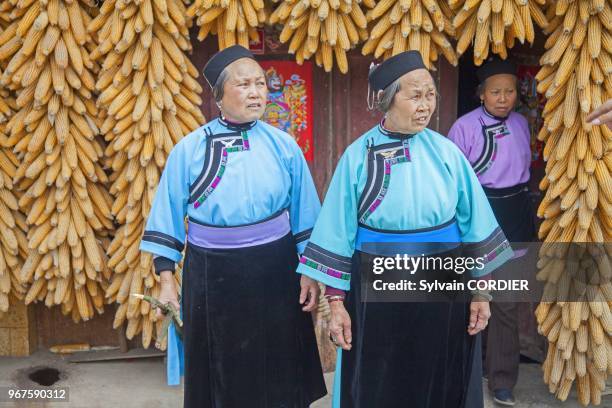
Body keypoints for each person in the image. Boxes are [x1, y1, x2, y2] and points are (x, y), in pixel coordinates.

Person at [297, 50, 514, 408]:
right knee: (380, 381)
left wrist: (481, 294)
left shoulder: (447, 153)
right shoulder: (356, 157)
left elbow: (476, 227)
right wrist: (336, 303)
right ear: (386, 99)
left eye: (430, 95)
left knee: (441, 377)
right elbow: (337, 234)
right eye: (415, 95)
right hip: (375, 289)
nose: (425, 105)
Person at [140, 45, 326, 408]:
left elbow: (306, 214)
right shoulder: (189, 150)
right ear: (219, 96)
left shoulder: (283, 145)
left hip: (276, 266)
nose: (257, 92)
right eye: (244, 85)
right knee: (222, 368)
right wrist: (166, 280)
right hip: (213, 272)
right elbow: (166, 215)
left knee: (280, 360)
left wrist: (309, 272)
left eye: (260, 84)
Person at [448, 58, 535, 406]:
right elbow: (454, 180)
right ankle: (470, 369)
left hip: (516, 214)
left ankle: (501, 380)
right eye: (495, 92)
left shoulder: (522, 124)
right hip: (481, 212)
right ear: (481, 94)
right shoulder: (464, 127)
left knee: (507, 302)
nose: (503, 98)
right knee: (473, 295)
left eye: (509, 91)